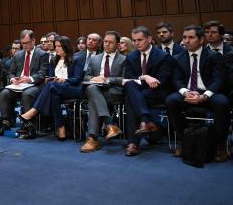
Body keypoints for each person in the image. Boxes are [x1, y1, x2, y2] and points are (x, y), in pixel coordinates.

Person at [165, 25, 229, 161]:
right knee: (171, 100)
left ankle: (220, 144)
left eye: (191, 37)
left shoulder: (214, 56)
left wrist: (205, 96)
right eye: (184, 37)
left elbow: (219, 80)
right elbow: (176, 80)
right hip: (188, 92)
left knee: (222, 102)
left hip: (209, 92)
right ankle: (184, 140)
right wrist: (186, 92)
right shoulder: (178, 57)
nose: (187, 41)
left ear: (201, 40)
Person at [123, 26, 174, 156]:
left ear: (149, 39)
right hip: (139, 91)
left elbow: (163, 81)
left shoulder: (163, 56)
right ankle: (146, 122)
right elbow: (129, 77)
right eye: (134, 40)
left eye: (139, 40)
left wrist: (143, 80)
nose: (136, 43)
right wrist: (144, 76)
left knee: (131, 99)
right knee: (130, 86)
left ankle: (133, 142)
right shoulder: (131, 56)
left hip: (158, 92)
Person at [20, 36, 84, 140]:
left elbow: (77, 79)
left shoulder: (76, 59)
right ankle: (61, 128)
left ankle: (33, 111)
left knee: (51, 86)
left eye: (59, 46)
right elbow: (50, 78)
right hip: (56, 89)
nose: (56, 48)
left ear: (66, 47)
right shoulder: (54, 61)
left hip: (73, 89)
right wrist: (50, 80)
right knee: (53, 93)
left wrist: (64, 80)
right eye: (56, 46)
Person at [80, 31, 126, 152]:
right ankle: (110, 125)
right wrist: (93, 78)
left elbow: (125, 79)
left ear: (117, 44)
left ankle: (92, 139)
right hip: (96, 90)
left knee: (93, 98)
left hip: (114, 92)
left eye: (111, 42)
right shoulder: (94, 59)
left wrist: (107, 79)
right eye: (105, 42)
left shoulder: (124, 59)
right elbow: (85, 77)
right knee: (92, 88)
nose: (107, 44)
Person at [0, 29, 48, 138]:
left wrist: (29, 79)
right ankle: (6, 121)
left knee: (27, 94)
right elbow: (10, 73)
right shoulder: (18, 55)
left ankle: (29, 125)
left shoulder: (42, 54)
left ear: (33, 41)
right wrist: (13, 79)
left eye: (27, 43)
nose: (25, 46)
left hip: (35, 85)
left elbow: (42, 73)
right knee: (4, 93)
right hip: (18, 85)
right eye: (23, 43)